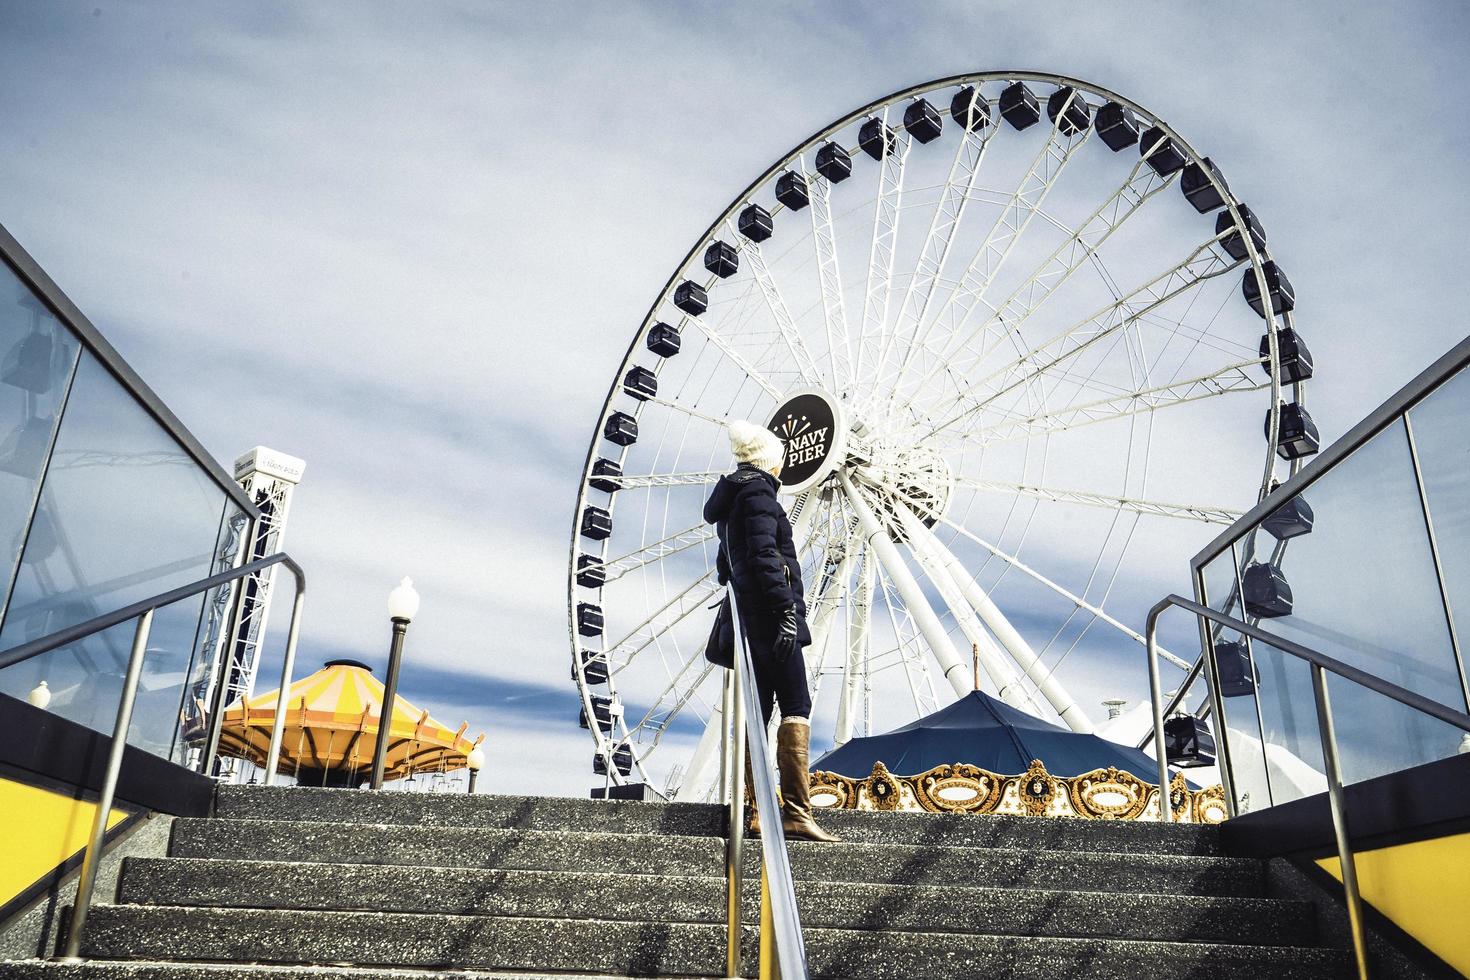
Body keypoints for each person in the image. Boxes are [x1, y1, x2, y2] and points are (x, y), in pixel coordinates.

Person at [702, 420, 839, 843]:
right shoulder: (759, 493)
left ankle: (758, 811)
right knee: (797, 704)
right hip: (771, 616)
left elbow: (728, 567)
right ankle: (797, 812)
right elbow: (764, 554)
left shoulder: (729, 501)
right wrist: (785, 610)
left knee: (759, 712)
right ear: (770, 463)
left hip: (746, 619)